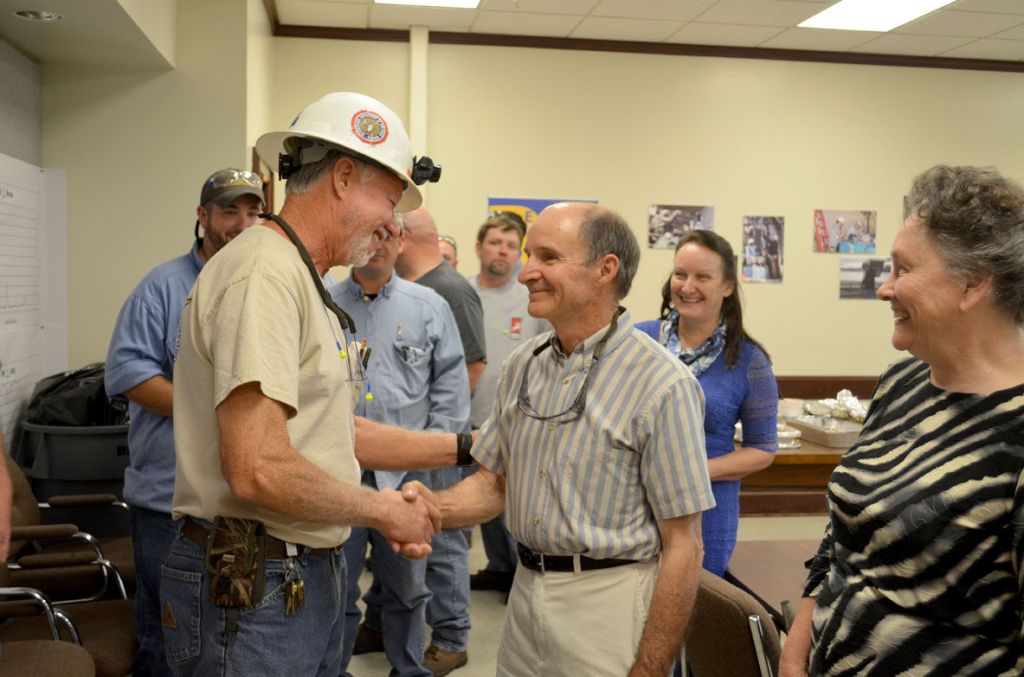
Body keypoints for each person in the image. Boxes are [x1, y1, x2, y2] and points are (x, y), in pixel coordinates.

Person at [160, 92, 461, 676]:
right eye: (390, 200)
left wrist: (463, 447)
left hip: (297, 577)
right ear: (345, 177)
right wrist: (382, 509)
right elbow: (258, 467)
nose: (393, 224)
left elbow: (325, 432)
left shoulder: (299, 276)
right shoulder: (263, 275)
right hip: (256, 593)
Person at [409, 202, 715, 677]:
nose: (527, 272)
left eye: (547, 258)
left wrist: (652, 666)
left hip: (608, 606)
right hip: (526, 596)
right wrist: (427, 510)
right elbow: (494, 485)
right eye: (529, 256)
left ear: (604, 270)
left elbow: (684, 545)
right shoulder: (523, 365)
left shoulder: (663, 384)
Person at [780, 165, 1024, 676]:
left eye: (902, 269)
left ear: (974, 283)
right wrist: (796, 649)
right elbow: (840, 541)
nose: (885, 288)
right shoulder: (903, 384)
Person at [104, 167, 264, 676]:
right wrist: (212, 414)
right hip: (167, 504)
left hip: (238, 501)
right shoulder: (163, 286)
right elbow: (129, 373)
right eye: (228, 211)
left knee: (229, 637)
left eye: (252, 211)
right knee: (166, 635)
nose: (241, 223)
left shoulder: (260, 287)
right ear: (202, 216)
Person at [329, 225, 470, 677]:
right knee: (337, 588)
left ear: (402, 244)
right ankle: (334, 669)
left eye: (390, 234)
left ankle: (408, 669)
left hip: (408, 481)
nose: (379, 242)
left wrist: (427, 460)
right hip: (338, 478)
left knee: (409, 589)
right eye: (369, 233)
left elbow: (450, 394)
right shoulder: (323, 303)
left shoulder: (430, 306)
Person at [636, 229, 778, 576]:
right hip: (634, 505)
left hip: (706, 514)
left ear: (727, 286)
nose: (687, 287)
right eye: (680, 274)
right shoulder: (638, 341)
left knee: (690, 617)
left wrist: (692, 473)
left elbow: (763, 449)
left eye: (703, 277)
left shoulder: (749, 360)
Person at [393, 206, 485, 675]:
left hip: (439, 442)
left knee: (444, 544)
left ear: (402, 236)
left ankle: (450, 638)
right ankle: (384, 625)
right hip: (405, 445)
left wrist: (436, 436)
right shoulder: (403, 290)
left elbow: (471, 367)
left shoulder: (449, 289)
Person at [467, 212, 546, 594]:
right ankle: (498, 567)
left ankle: (520, 577)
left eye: (512, 245)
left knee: (514, 505)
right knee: (480, 498)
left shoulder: (530, 297)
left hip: (516, 420)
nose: (503, 250)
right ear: (479, 247)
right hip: (466, 419)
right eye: (496, 242)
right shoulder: (462, 293)